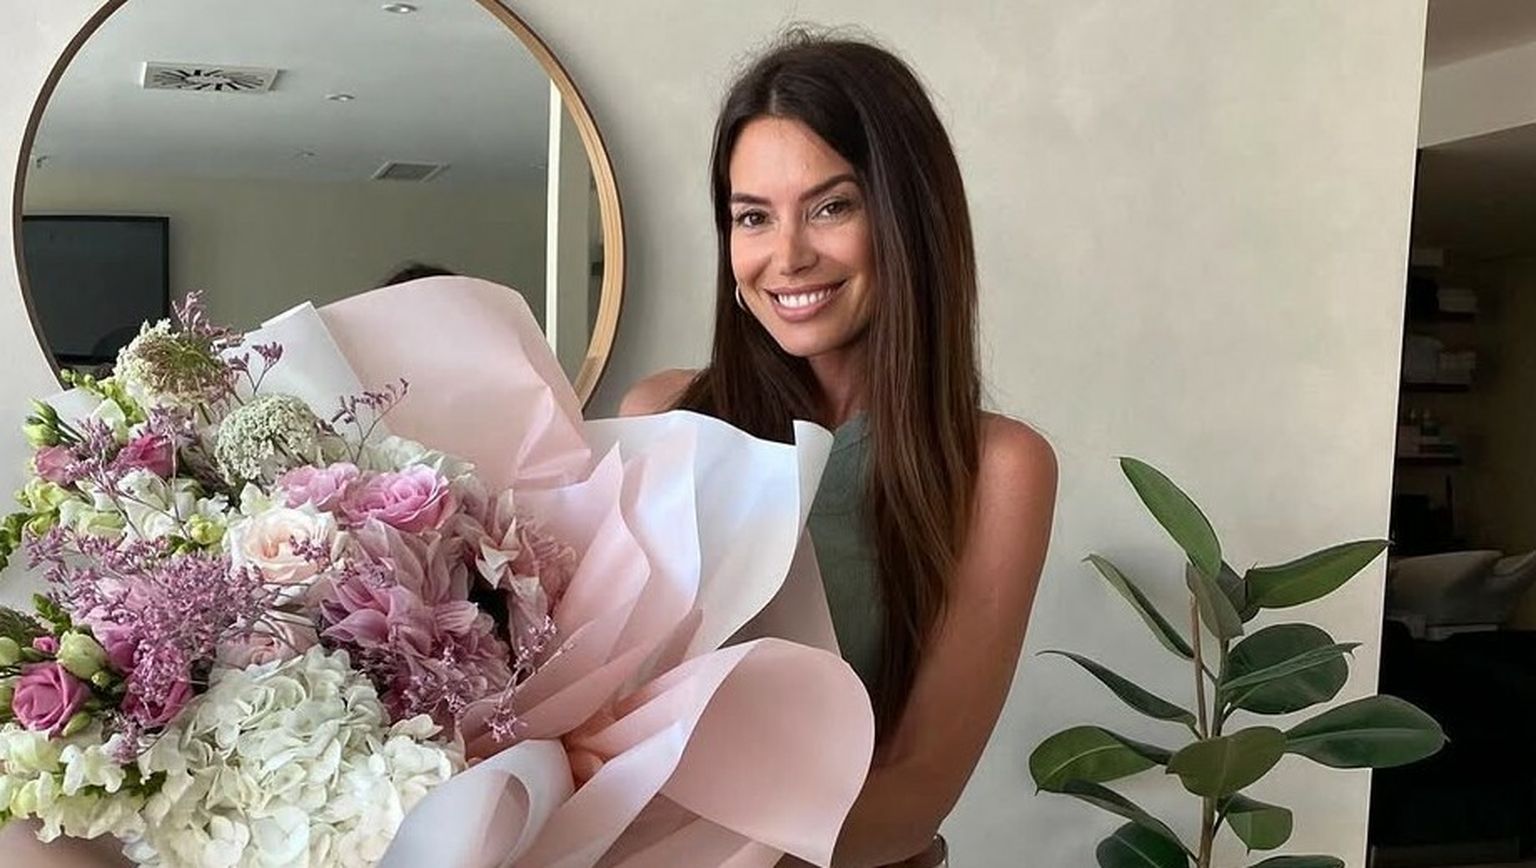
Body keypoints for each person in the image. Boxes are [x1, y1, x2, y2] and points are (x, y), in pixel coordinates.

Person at [620, 29, 1057, 868]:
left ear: (908, 217)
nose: (787, 257)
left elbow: (915, 793)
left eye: (831, 207)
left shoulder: (999, 469)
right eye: (753, 217)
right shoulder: (664, 416)